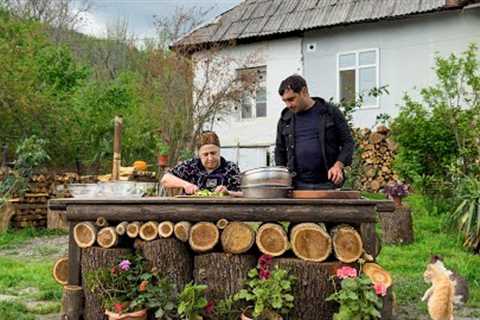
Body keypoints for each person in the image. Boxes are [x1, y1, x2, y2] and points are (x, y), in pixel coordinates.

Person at [275, 75, 355, 190]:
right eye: (285, 101)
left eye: (291, 99)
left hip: (328, 183)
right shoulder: (285, 119)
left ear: (304, 91)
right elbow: (279, 150)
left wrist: (338, 165)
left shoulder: (330, 112)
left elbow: (348, 142)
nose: (288, 105)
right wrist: (282, 176)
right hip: (296, 185)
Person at [160, 131, 241, 195]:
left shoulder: (231, 168)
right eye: (205, 154)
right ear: (199, 154)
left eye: (213, 153)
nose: (210, 158)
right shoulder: (190, 166)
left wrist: (228, 192)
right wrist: (186, 185)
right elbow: (165, 179)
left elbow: (244, 193)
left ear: (219, 151)